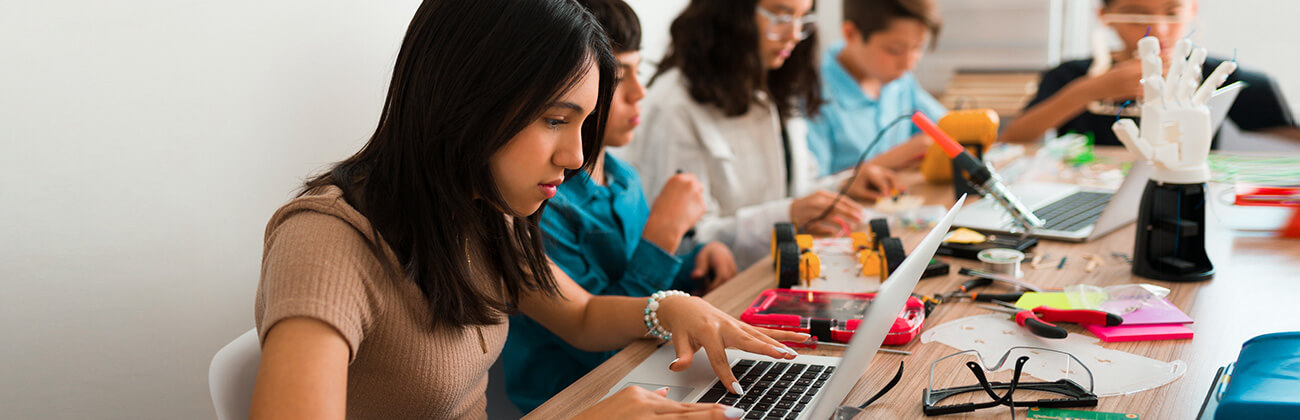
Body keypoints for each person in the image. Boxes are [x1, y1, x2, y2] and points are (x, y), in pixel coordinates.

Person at [249, 1, 805, 419]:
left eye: (584, 124)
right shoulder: (325, 243)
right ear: (467, 101)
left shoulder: (480, 210)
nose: (577, 155)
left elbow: (582, 316)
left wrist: (670, 309)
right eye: (555, 121)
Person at [502, 0, 741, 413]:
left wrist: (695, 263)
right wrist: (663, 237)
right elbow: (599, 349)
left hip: (645, 375)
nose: (639, 93)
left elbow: (618, 295)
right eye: (617, 77)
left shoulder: (624, 179)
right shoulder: (535, 202)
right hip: (574, 397)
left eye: (639, 71)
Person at [620, 0, 904, 268]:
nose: (793, 35)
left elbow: (790, 192)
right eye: (781, 17)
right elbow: (683, 241)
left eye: (802, 19)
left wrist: (843, 185)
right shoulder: (673, 105)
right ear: (731, 13)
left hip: (779, 270)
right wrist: (788, 216)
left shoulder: (771, 85)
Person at [1000, 0, 1298, 146]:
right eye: (1136, 15)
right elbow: (1015, 137)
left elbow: (1285, 131)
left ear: (1192, 9)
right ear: (1104, 17)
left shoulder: (1216, 76)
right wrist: (1091, 89)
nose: (1158, 30)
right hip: (1088, 198)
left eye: (1171, 13)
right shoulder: (1071, 75)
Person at [807, 0, 947, 174]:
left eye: (918, 48)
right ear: (851, 33)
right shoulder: (813, 93)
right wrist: (893, 158)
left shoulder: (899, 80)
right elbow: (811, 189)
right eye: (895, 49)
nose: (909, 64)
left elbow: (945, 126)